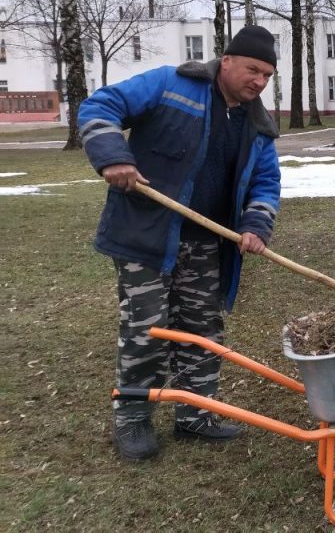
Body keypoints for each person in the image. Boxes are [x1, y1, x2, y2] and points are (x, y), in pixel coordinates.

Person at [79, 25, 281, 461]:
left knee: (202, 330)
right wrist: (113, 156)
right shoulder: (171, 84)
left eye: (267, 75)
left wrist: (255, 224)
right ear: (226, 61)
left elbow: (265, 181)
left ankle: (196, 414)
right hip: (147, 234)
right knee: (147, 329)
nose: (260, 81)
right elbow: (100, 105)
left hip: (207, 242)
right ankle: (133, 418)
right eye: (253, 70)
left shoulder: (258, 123)